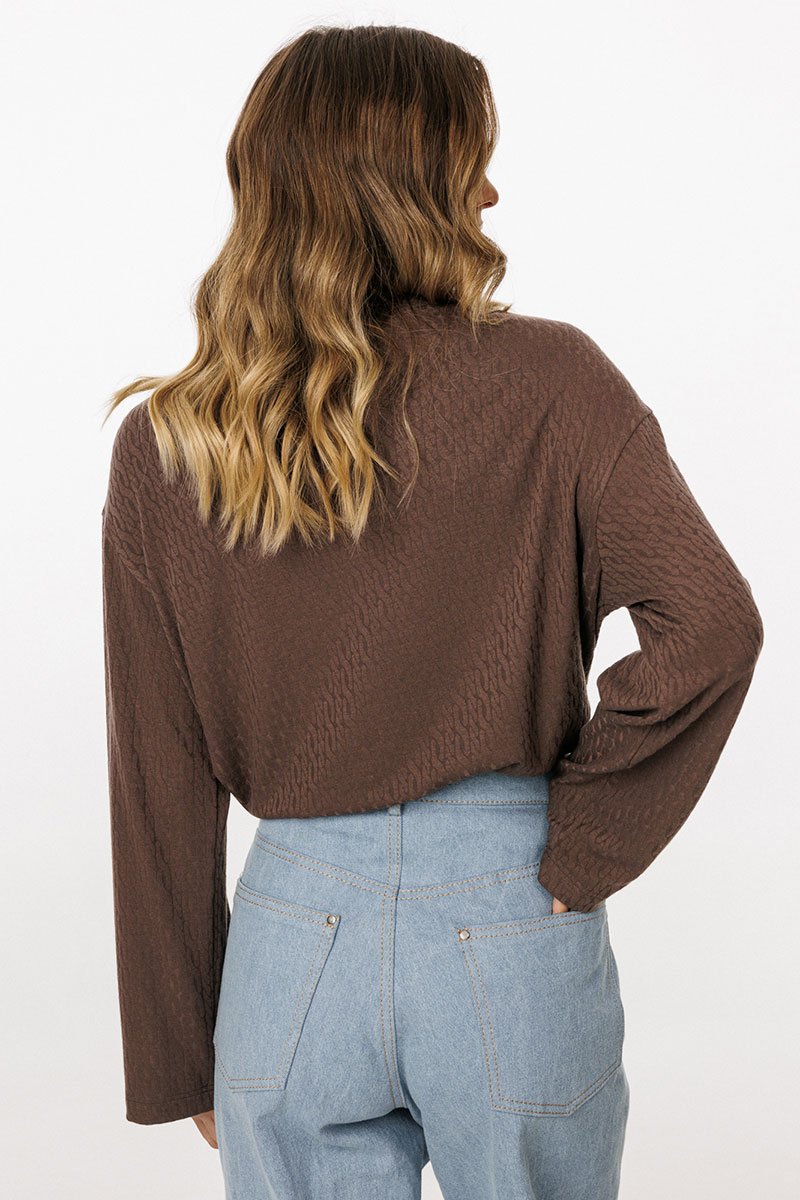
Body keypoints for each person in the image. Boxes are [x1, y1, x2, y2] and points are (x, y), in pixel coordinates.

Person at [100, 23, 763, 1200]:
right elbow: (709, 624)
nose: (491, 192)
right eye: (471, 161)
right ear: (407, 183)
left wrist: (178, 1045)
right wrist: (582, 842)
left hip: (290, 944)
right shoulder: (553, 382)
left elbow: (158, 769)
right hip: (506, 917)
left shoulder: (173, 442)